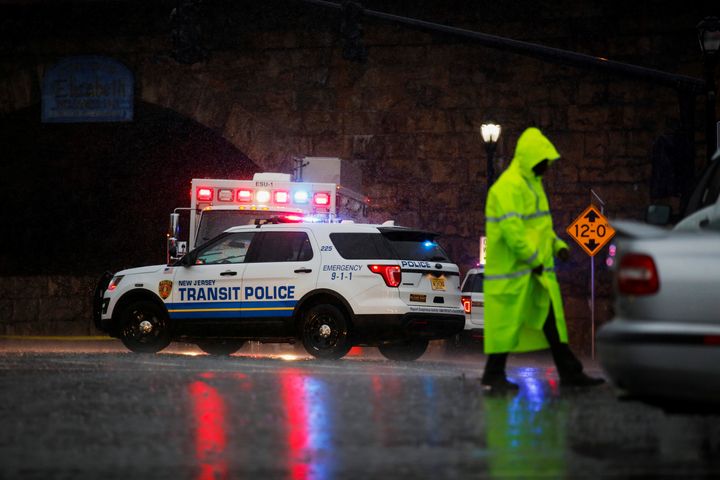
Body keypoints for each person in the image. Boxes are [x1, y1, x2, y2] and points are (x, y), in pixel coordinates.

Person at [481, 127, 604, 392]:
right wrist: (533, 259)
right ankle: (495, 374)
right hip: (515, 274)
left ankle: (568, 371)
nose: (547, 167)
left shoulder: (531, 186)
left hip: (531, 274)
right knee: (511, 326)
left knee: (550, 323)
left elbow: (539, 228)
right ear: (531, 159)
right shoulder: (508, 188)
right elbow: (512, 231)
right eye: (544, 161)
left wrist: (557, 245)